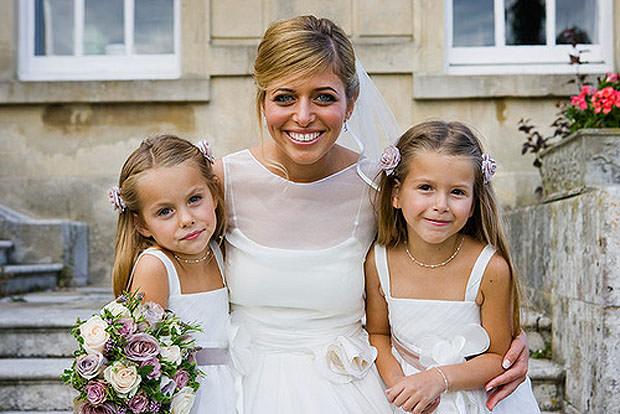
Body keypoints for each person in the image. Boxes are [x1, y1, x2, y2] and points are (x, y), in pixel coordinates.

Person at [214, 15, 529, 414]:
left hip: (347, 382)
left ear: (351, 103)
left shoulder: (377, 190)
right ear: (262, 101)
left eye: (324, 97)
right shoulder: (218, 184)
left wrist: (503, 344)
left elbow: (439, 271)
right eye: (284, 97)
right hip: (241, 382)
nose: (304, 115)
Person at [365, 121, 540, 413]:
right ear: (396, 194)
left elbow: (499, 355)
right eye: (425, 188)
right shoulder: (379, 260)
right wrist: (403, 390)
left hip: (473, 399)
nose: (441, 204)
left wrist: (438, 379)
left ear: (473, 203)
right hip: (404, 392)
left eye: (457, 192)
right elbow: (378, 334)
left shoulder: (490, 269)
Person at [110, 134, 237, 414]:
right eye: (165, 211)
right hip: (187, 396)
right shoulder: (156, 266)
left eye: (194, 199)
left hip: (233, 387)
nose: (186, 219)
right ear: (141, 224)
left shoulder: (220, 251)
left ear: (213, 194)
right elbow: (140, 353)